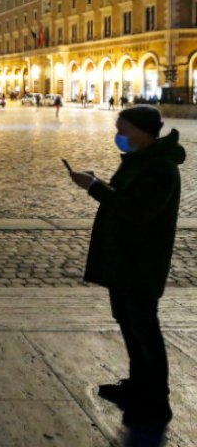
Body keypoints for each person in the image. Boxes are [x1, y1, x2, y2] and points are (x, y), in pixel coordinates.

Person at [68, 105, 185, 428]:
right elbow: (125, 197)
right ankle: (138, 385)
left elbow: (138, 211)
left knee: (145, 328)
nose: (118, 135)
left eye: (123, 129)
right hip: (124, 259)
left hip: (141, 260)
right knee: (129, 323)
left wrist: (93, 187)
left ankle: (157, 400)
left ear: (143, 131)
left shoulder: (160, 167)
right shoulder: (143, 160)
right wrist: (97, 182)